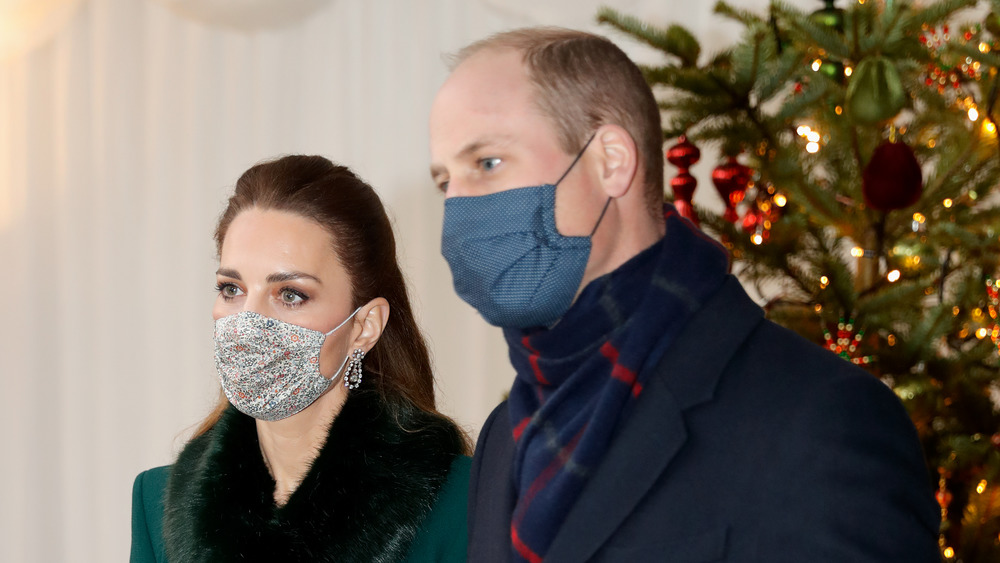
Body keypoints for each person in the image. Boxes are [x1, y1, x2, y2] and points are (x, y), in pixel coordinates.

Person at [428, 28, 941, 562]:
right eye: (445, 182)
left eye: (487, 163)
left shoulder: (820, 420)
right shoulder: (502, 440)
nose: (457, 210)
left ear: (611, 160)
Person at [130, 155, 470, 563]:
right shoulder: (156, 503)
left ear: (364, 325)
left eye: (291, 294)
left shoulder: (465, 504)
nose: (248, 321)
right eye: (231, 289)